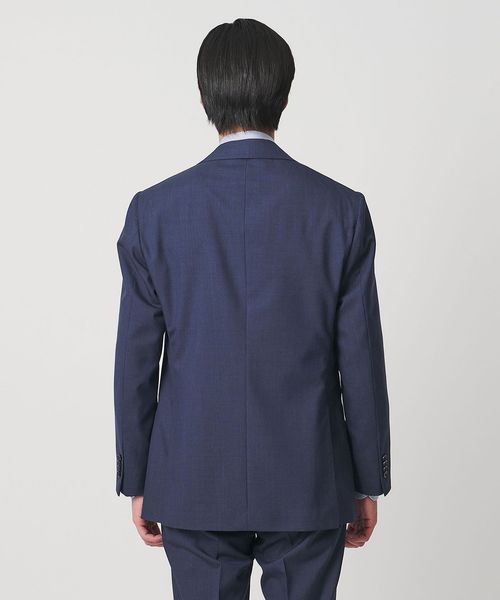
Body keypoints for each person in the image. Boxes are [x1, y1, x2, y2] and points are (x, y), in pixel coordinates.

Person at [113, 17, 391, 599]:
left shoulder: (153, 213)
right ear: (284, 97)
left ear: (203, 97)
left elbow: (136, 362)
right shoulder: (341, 211)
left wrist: (139, 479)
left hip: (192, 476)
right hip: (309, 476)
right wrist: (366, 480)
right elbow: (360, 357)